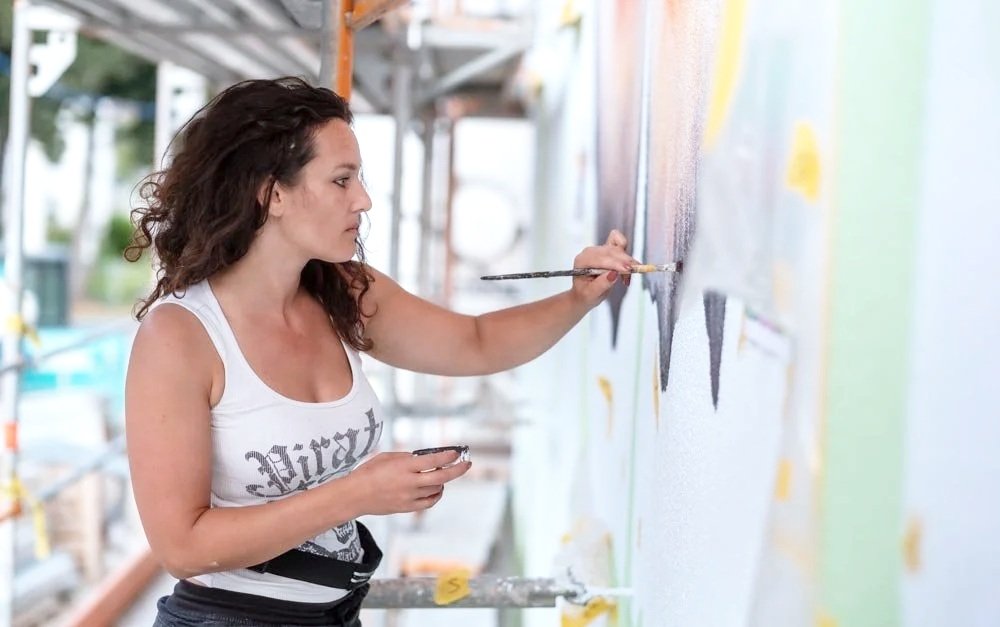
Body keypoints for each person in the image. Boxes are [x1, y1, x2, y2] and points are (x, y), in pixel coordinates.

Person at [124, 76, 636, 626]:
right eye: (342, 180)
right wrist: (358, 493)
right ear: (272, 194)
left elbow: (476, 343)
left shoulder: (342, 290)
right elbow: (182, 546)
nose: (363, 200)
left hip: (339, 613)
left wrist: (580, 296)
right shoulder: (179, 337)